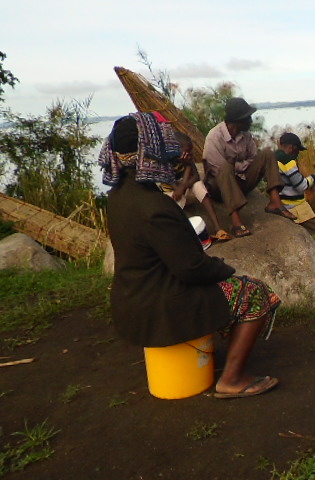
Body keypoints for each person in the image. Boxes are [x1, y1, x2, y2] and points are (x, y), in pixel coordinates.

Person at [100, 111, 280, 399]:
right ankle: (232, 379)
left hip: (132, 302)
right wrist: (224, 269)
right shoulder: (155, 206)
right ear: (152, 149)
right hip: (160, 307)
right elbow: (192, 268)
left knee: (228, 289)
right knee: (253, 292)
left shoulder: (118, 196)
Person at [202, 97, 296, 238]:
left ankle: (275, 202)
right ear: (238, 120)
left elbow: (253, 158)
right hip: (220, 188)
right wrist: (234, 166)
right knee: (225, 168)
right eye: (248, 118)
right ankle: (236, 221)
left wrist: (236, 165)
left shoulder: (246, 135)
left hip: (241, 180)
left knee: (267, 153)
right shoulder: (214, 137)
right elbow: (217, 169)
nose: (251, 121)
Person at [157, 128, 231, 242]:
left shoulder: (187, 158)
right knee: (174, 202)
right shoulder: (163, 162)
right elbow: (177, 190)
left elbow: (196, 177)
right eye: (188, 151)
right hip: (171, 194)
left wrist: (187, 165)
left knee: (198, 185)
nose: (190, 154)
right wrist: (182, 186)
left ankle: (218, 228)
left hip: (183, 190)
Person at [276, 132, 315, 263]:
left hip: (282, 204)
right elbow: (301, 186)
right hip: (295, 208)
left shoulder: (274, 159)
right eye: (297, 150)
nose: (297, 153)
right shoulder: (288, 162)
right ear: (291, 147)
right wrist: (313, 178)